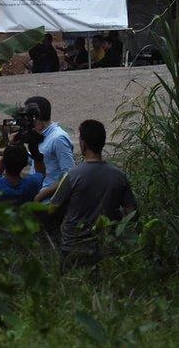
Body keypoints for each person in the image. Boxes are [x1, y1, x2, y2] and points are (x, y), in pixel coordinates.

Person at [50, 120, 137, 265]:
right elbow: (132, 212)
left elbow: (52, 208)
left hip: (73, 247)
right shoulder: (119, 175)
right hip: (107, 246)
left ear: (83, 144)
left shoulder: (73, 175)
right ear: (102, 143)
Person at [23, 96, 75, 203]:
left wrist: (41, 195)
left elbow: (69, 175)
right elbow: (34, 159)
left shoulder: (58, 138)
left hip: (49, 203)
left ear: (36, 117)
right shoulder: (39, 135)